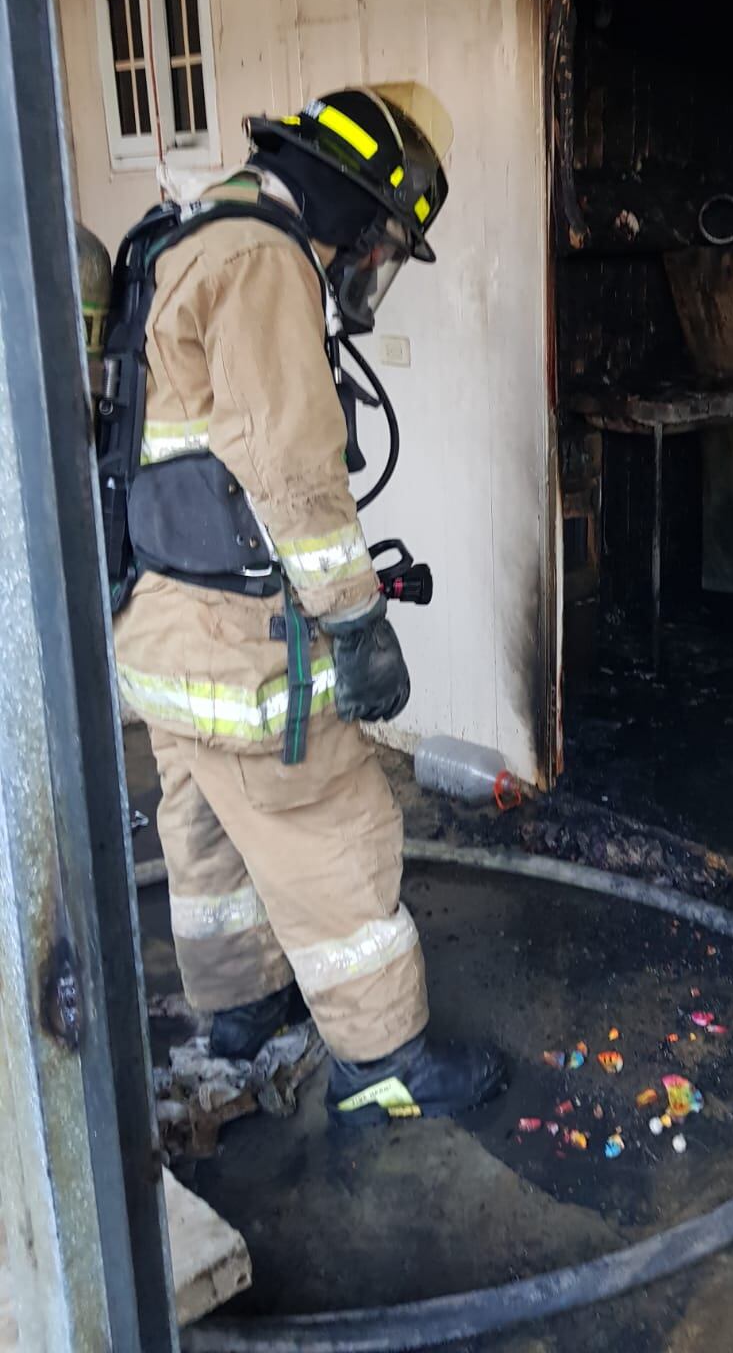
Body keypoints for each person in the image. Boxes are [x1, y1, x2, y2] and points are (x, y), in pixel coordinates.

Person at [113, 85, 506, 1124]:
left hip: (158, 626)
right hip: (241, 647)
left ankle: (238, 1010)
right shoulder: (261, 262)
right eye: (377, 236)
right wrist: (357, 619)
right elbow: (292, 471)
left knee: (203, 833)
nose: (369, 260)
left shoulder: (181, 237)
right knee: (337, 829)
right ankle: (381, 1059)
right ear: (349, 202)